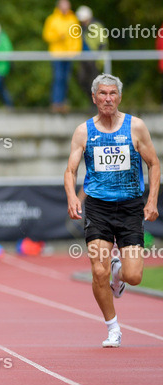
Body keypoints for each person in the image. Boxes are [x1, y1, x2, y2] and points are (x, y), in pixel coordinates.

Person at [64, 73, 160, 348]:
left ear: (119, 97)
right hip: (97, 207)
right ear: (94, 98)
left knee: (134, 276)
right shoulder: (84, 131)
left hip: (130, 206)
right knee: (98, 270)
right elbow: (70, 170)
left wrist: (151, 200)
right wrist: (72, 197)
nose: (108, 99)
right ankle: (112, 326)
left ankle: (119, 272)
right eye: (102, 94)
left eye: (112, 94)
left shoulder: (135, 127)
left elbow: (154, 164)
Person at [42, 0, 82, 113]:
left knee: (66, 79)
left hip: (69, 54)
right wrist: (58, 36)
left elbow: (77, 37)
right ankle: (56, 102)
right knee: (58, 78)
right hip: (57, 54)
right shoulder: (52, 19)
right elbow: (47, 35)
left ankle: (63, 102)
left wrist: (76, 52)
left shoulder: (73, 19)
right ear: (59, 6)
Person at [75, 5, 107, 93]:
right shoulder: (82, 28)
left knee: (94, 82)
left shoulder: (96, 26)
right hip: (84, 58)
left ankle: (95, 103)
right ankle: (92, 101)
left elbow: (102, 42)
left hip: (94, 59)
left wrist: (97, 56)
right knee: (82, 80)